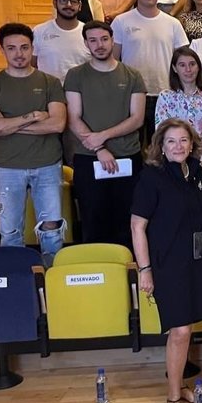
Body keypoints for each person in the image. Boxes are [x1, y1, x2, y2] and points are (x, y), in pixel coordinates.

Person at [130, 119, 202, 403]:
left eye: (183, 140)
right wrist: (145, 270)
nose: (178, 146)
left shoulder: (196, 172)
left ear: (192, 143)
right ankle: (173, 395)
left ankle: (181, 386)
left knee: (188, 327)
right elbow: (137, 226)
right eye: (171, 141)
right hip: (167, 263)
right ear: (160, 145)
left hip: (198, 261)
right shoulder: (152, 177)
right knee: (181, 330)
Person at [0, 23, 67, 267]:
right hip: (7, 168)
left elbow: (57, 124)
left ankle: (51, 279)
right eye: (11, 48)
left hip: (47, 165)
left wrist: (7, 124)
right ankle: (15, 280)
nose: (19, 53)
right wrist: (31, 117)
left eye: (24, 47)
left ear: (32, 47)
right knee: (10, 232)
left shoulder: (50, 82)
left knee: (51, 229)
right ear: (2, 50)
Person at [66, 20, 146, 248]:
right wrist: (100, 148)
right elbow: (73, 117)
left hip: (127, 156)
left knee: (127, 220)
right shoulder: (76, 75)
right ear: (85, 44)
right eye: (93, 40)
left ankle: (129, 274)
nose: (99, 45)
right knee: (93, 219)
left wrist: (102, 136)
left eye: (104, 39)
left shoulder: (132, 75)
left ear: (112, 40)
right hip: (89, 158)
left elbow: (137, 119)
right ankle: (100, 274)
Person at [112, 0, 189, 145]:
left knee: (163, 145)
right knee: (133, 144)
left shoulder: (172, 23)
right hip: (132, 94)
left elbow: (183, 60)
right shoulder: (121, 22)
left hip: (165, 92)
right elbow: (114, 60)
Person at [155, 48, 202, 234]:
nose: (188, 69)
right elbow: (161, 134)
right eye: (182, 65)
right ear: (175, 68)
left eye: (192, 64)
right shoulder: (165, 97)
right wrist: (181, 170)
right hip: (175, 169)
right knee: (179, 222)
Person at [32, 0, 90, 84]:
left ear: (80, 6)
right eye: (63, 0)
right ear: (55, 3)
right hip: (48, 93)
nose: (68, 5)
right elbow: (32, 65)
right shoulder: (39, 31)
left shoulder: (89, 32)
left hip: (82, 92)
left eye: (73, 1)